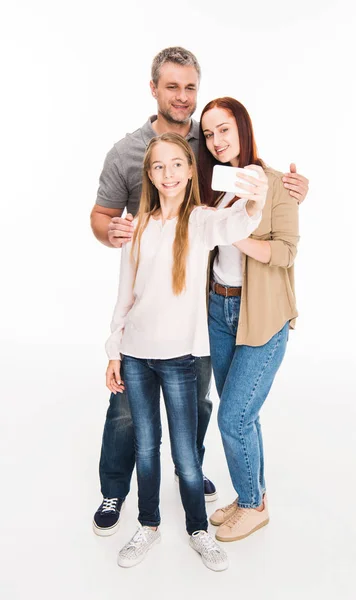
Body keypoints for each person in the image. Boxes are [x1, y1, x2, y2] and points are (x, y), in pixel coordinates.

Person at [90, 46, 309, 536]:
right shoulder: (128, 153)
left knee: (205, 402)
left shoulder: (208, 151)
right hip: (163, 311)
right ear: (153, 89)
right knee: (129, 408)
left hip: (210, 310)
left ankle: (197, 474)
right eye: (172, 87)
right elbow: (101, 217)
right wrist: (116, 233)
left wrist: (287, 191)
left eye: (190, 87)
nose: (183, 97)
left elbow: (247, 200)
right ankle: (114, 490)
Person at [105, 132, 266, 570]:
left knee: (185, 454)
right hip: (136, 356)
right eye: (158, 167)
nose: (168, 174)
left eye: (176, 164)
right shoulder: (137, 226)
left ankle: (198, 529)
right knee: (145, 448)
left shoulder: (200, 221)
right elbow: (125, 297)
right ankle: (149, 525)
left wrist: (255, 196)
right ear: (149, 175)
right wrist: (114, 351)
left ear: (191, 170)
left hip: (180, 360)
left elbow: (237, 225)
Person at [197, 97, 300, 542]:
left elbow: (286, 252)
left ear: (242, 128)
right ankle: (249, 494)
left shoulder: (276, 184)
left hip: (262, 316)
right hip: (219, 310)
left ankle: (254, 506)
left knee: (233, 417)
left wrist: (237, 235)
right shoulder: (214, 184)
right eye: (208, 134)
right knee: (245, 415)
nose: (217, 141)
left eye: (224, 129)